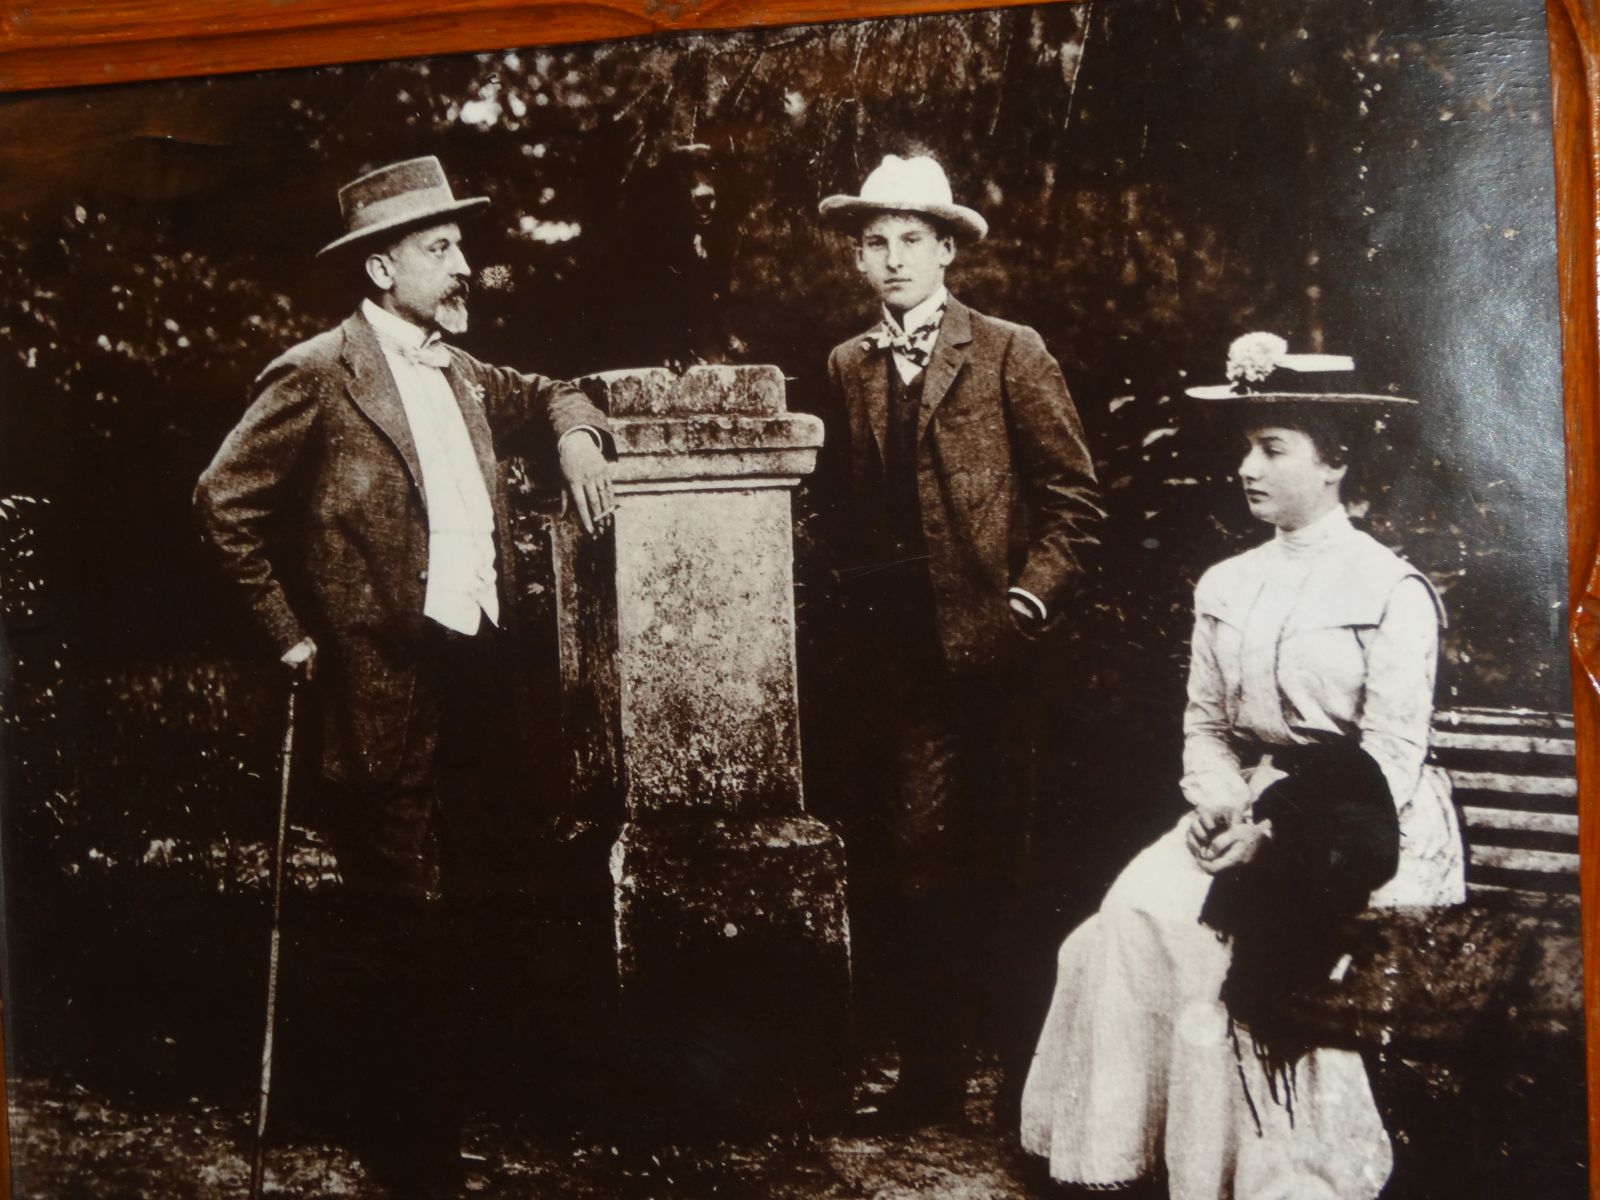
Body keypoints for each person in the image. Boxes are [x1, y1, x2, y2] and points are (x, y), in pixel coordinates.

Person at [194, 155, 614, 1199]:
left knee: (467, 904)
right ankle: (411, 1152)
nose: (463, 265)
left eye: (459, 245)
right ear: (382, 268)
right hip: (373, 684)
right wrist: (287, 635)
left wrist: (574, 438)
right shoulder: (317, 373)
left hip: (475, 675)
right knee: (399, 915)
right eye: (440, 248)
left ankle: (436, 1124)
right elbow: (221, 503)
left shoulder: (462, 372)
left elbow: (555, 389)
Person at [1019, 336, 1466, 1198]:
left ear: (1334, 463)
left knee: (1217, 934)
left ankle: (1272, 1169)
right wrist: (1221, 804)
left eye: (1273, 449)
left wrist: (1274, 836)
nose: (1247, 469)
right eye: (1245, 449)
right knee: (1134, 910)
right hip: (1252, 803)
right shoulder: (1227, 583)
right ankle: (1144, 1156)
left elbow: (1389, 759)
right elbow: (1207, 726)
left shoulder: (1391, 589)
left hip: (1363, 826)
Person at [816, 153, 1102, 1129]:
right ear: (858, 257)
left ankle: (1028, 1089)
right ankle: (931, 1081)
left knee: (1007, 867)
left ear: (946, 251)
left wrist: (1028, 601)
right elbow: (849, 513)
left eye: (911, 240)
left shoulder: (1010, 350)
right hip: (904, 664)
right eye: (876, 242)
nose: (893, 259)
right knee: (915, 862)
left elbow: (1074, 503)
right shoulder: (849, 365)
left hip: (1002, 654)